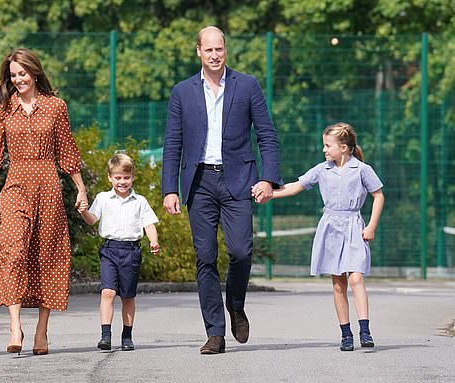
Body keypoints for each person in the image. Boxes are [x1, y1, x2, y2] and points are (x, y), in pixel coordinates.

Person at [161, 26, 282, 354]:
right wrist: (169, 189)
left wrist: (268, 179)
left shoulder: (248, 85)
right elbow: (173, 143)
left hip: (239, 180)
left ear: (225, 50)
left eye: (220, 49)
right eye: (209, 50)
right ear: (198, 51)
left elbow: (267, 136)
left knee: (241, 251)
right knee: (205, 258)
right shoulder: (182, 92)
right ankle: (215, 332)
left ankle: (236, 304)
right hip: (199, 182)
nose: (215, 55)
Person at [0, 48, 88, 356]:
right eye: (13, 75)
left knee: (46, 254)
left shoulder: (55, 107)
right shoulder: (3, 109)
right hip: (15, 185)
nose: (18, 80)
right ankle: (15, 326)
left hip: (49, 185)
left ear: (34, 73)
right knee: (11, 249)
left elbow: (67, 151)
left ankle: (42, 331)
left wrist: (80, 189)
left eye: (22, 74)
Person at [270, 122, 384, 351]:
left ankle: (365, 330)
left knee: (356, 278)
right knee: (338, 282)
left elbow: (378, 196)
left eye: (327, 145)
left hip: (353, 227)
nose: (324, 150)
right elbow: (295, 186)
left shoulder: (362, 169)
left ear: (343, 147)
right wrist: (269, 194)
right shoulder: (322, 169)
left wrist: (371, 226)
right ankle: (346, 335)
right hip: (330, 228)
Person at [79, 153, 160, 352]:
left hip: (131, 251)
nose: (122, 181)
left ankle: (127, 335)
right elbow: (92, 219)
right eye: (118, 177)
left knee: (127, 296)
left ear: (132, 177)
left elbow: (148, 223)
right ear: (110, 177)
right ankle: (105, 335)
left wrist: (154, 241)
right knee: (107, 292)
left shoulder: (139, 201)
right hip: (109, 249)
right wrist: (83, 211)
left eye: (126, 177)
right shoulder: (103, 198)